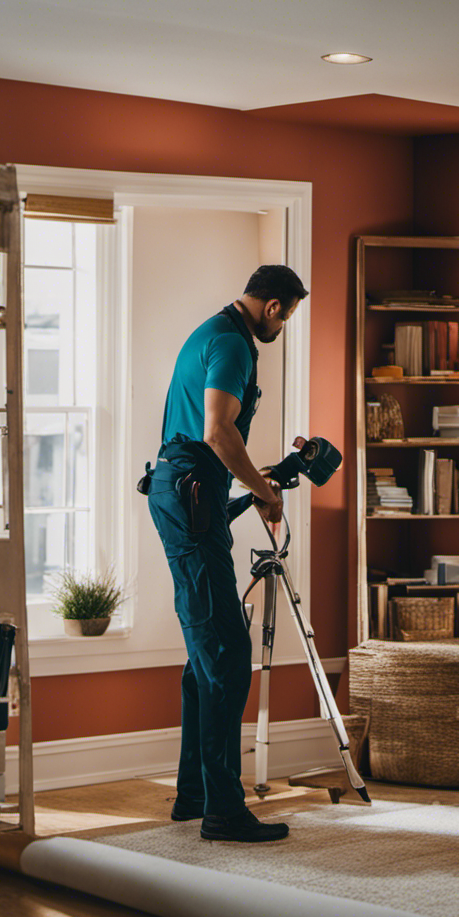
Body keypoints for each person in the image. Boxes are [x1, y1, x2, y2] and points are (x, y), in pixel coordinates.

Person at [145, 264, 308, 842]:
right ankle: (223, 811)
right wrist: (264, 493)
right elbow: (218, 432)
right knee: (227, 656)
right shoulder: (234, 345)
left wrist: (254, 485)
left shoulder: (211, 332)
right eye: (287, 315)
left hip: (184, 487)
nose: (283, 325)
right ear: (273, 307)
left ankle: (194, 796)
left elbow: (210, 441)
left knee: (205, 658)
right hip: (190, 491)